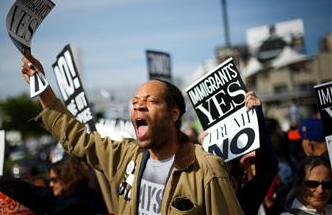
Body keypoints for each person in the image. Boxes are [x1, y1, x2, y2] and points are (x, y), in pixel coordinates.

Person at [19, 55, 261, 214]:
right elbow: (77, 137)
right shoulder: (125, 157)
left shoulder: (206, 169)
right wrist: (42, 88)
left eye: (150, 101)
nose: (138, 106)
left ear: (174, 113)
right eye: (134, 102)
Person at [0, 155, 104, 215]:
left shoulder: (75, 205)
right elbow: (40, 193)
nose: (50, 184)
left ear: (68, 178)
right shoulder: (66, 198)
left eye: (54, 180)